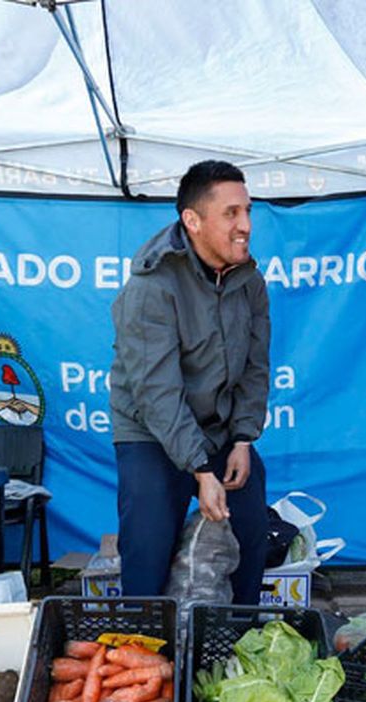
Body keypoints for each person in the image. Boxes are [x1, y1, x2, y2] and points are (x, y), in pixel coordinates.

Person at [109, 159, 271, 606]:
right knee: (148, 550)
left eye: (248, 211)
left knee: (252, 531)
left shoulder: (250, 281)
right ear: (193, 222)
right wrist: (201, 471)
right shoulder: (151, 285)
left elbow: (255, 369)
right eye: (231, 214)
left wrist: (242, 439)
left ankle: (236, 644)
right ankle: (148, 657)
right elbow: (156, 391)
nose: (245, 226)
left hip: (221, 432)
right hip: (151, 433)